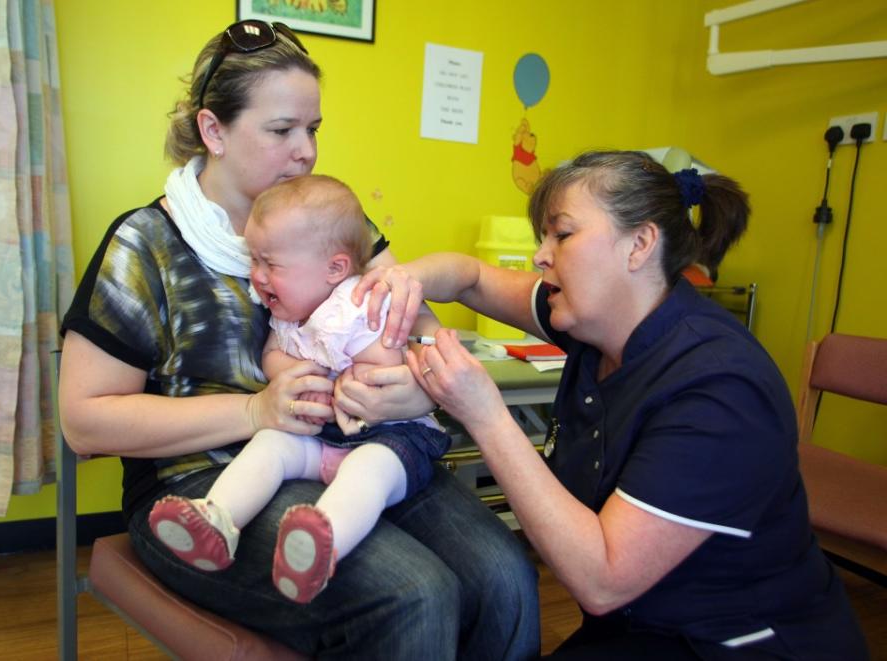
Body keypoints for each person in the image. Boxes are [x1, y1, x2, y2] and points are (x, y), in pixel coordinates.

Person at [58, 19, 539, 659]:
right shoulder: (144, 246)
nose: (306, 151)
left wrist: (411, 386)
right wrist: (254, 409)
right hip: (203, 481)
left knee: (505, 574)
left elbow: (408, 318)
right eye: (282, 130)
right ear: (213, 130)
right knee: (414, 593)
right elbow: (84, 423)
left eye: (312, 129)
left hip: (355, 443)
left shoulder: (328, 220)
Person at [357, 150, 868, 659]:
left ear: (640, 243)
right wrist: (405, 281)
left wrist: (485, 415)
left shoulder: (720, 388)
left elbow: (602, 579)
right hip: (636, 628)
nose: (540, 255)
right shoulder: (594, 324)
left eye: (562, 234)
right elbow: (470, 278)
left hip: (732, 643)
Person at [148, 174, 452, 605]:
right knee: (270, 443)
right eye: (254, 260)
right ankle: (217, 521)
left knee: (368, 471)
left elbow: (385, 360)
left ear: (335, 268)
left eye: (271, 264)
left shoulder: (355, 305)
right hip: (319, 436)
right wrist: (298, 372)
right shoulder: (286, 312)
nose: (257, 276)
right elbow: (272, 355)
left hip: (390, 437)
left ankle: (320, 544)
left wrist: (348, 379)